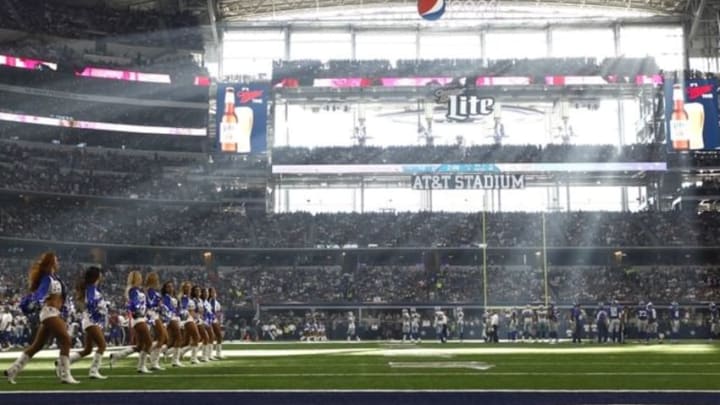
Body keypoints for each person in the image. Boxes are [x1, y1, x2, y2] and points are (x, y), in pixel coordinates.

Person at [4, 252, 79, 384]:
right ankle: (65, 375)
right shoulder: (47, 279)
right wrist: (35, 301)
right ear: (51, 263)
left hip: (53, 313)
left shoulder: (54, 278)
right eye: (56, 260)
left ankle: (12, 371)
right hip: (49, 313)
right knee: (66, 340)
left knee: (37, 346)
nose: (58, 262)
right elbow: (40, 294)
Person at [65, 266, 108, 379]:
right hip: (91, 321)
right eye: (100, 274)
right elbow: (90, 302)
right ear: (97, 276)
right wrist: (98, 310)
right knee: (102, 345)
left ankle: (64, 363)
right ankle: (93, 371)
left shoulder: (92, 288)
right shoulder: (91, 288)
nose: (102, 276)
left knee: (88, 349)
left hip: (90, 320)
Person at [110, 270, 153, 373]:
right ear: (136, 279)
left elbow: (144, 304)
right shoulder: (133, 290)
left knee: (140, 346)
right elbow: (132, 303)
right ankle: (143, 365)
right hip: (138, 318)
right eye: (140, 277)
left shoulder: (137, 290)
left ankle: (117, 355)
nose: (141, 279)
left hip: (140, 318)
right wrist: (136, 311)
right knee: (149, 342)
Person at [145, 272, 168, 370]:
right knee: (162, 336)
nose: (158, 281)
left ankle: (151, 356)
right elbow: (149, 304)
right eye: (156, 279)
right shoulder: (149, 291)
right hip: (152, 315)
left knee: (163, 337)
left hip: (156, 315)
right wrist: (158, 303)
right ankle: (153, 361)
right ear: (152, 280)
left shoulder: (154, 291)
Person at [161, 281, 183, 367]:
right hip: (170, 319)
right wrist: (168, 320)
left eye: (171, 286)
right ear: (165, 289)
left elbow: (177, 308)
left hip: (174, 318)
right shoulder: (165, 298)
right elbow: (167, 310)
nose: (170, 288)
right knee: (179, 338)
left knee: (171, 340)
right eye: (168, 287)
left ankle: (165, 352)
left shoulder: (173, 297)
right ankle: (175, 360)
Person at [208, 287, 224, 358]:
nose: (214, 294)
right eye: (212, 292)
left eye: (215, 292)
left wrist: (219, 321)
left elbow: (218, 313)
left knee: (219, 336)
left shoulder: (217, 303)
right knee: (208, 337)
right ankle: (209, 354)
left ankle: (218, 353)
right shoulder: (207, 302)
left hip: (214, 320)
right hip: (208, 320)